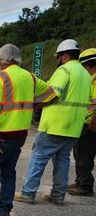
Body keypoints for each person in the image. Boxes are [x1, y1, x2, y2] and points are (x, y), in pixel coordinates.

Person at [0, 44, 56, 216]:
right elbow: (52, 96)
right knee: (8, 173)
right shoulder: (30, 77)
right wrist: (33, 107)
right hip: (20, 135)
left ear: (2, 60)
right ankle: (3, 214)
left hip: (1, 135)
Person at [15, 39, 91, 205]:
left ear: (64, 55)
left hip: (55, 124)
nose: (57, 59)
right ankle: (58, 195)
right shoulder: (86, 74)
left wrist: (35, 106)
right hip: (74, 126)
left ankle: (28, 192)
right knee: (63, 161)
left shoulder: (64, 70)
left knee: (38, 158)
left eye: (58, 56)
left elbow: (52, 94)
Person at [68, 48, 96, 196]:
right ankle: (80, 180)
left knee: (84, 156)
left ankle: (85, 185)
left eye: (84, 67)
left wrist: (93, 121)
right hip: (84, 122)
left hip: (90, 124)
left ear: (90, 64)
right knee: (79, 154)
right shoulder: (91, 79)